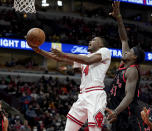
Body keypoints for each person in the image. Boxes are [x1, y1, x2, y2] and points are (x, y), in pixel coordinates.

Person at [29, 36, 111, 131]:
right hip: (83, 96)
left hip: (96, 95)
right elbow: (59, 58)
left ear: (101, 44)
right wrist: (38, 50)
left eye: (94, 40)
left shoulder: (105, 51)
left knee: (94, 129)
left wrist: (64, 54)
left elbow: (88, 61)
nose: (90, 41)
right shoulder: (84, 56)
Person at [105, 1, 145, 131]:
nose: (126, 52)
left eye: (129, 52)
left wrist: (115, 112)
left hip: (127, 115)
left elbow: (129, 96)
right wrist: (119, 18)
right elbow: (123, 39)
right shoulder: (125, 64)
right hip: (118, 112)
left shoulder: (132, 70)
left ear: (134, 58)